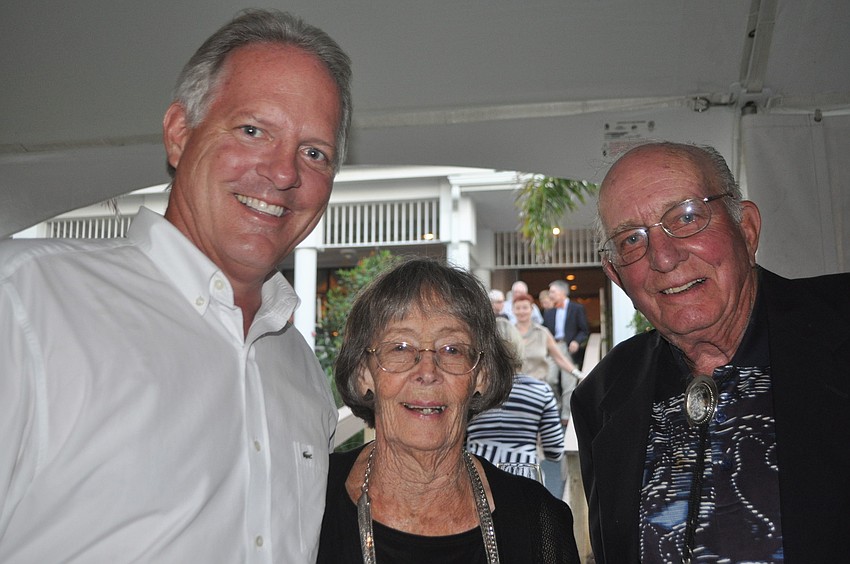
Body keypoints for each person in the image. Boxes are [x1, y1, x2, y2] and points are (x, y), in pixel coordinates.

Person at [0, 9, 352, 562]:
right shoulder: (25, 301)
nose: (284, 172)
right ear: (179, 134)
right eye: (253, 130)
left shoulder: (299, 367)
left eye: (315, 152)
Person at [571, 141, 850, 563]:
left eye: (686, 217)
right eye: (631, 239)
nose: (663, 258)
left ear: (747, 229)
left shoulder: (837, 328)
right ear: (617, 276)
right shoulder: (603, 395)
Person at [318, 257, 580, 563]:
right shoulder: (310, 497)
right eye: (400, 347)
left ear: (481, 375)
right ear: (364, 372)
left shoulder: (540, 520)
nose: (427, 371)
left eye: (452, 349)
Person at [466, 317, 566, 469]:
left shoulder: (471, 391)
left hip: (478, 473)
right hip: (525, 474)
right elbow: (555, 451)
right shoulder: (541, 391)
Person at [513, 293, 581, 423]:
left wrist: (578, 374)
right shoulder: (506, 333)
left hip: (537, 391)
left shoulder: (542, 332)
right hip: (514, 392)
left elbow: (559, 358)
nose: (521, 311)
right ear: (513, 310)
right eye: (518, 308)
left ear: (531, 309)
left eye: (525, 308)